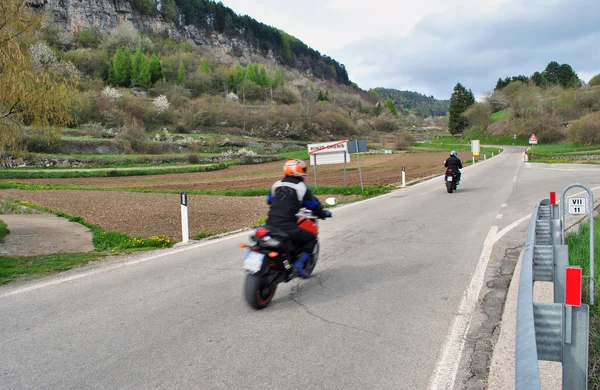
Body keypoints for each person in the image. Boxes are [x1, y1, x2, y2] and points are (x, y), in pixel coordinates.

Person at [266, 158, 331, 277]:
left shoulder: (276, 184)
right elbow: (314, 206)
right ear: (296, 170)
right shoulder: (301, 187)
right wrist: (324, 214)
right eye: (302, 169)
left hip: (269, 224)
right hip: (287, 226)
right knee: (311, 238)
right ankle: (299, 264)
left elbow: (269, 201)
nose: (304, 171)